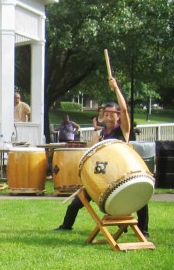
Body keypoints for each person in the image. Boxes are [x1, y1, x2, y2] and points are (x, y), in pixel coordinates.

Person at [54, 77, 150, 238]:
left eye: (112, 115)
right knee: (76, 203)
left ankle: (143, 230)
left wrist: (116, 88)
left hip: (122, 176)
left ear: (118, 117)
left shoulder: (123, 131)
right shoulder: (99, 135)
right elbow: (90, 157)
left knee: (140, 198)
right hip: (103, 180)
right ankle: (66, 226)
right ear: (102, 116)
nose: (108, 118)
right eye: (106, 115)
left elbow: (125, 110)